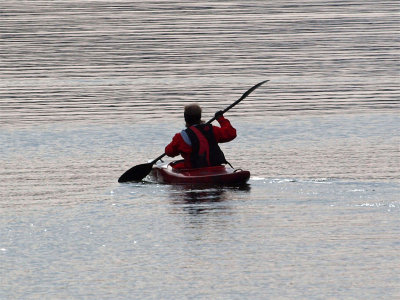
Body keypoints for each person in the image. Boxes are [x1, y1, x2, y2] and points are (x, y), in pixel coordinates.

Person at [165, 104, 237, 169]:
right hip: (215, 167)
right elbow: (231, 134)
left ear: (185, 118)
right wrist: (221, 119)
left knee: (174, 166)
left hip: (194, 170)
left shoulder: (181, 137)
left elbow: (169, 152)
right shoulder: (212, 130)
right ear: (199, 117)